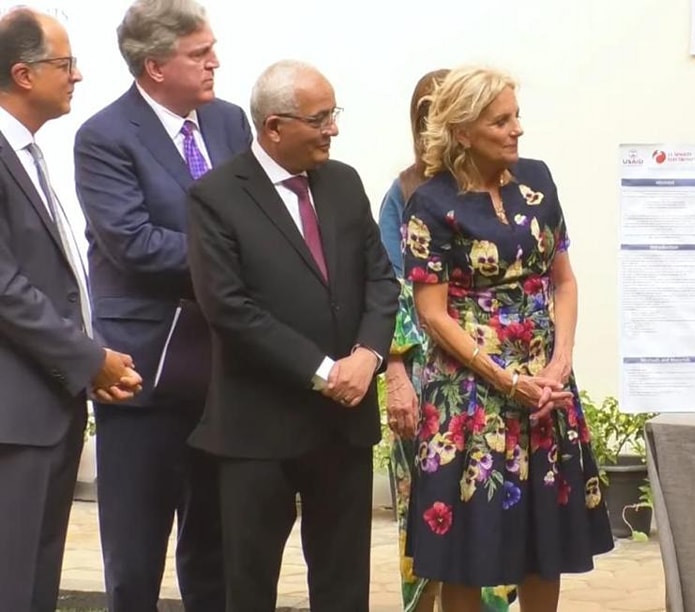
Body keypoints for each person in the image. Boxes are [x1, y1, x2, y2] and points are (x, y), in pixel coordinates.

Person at [185, 59, 399, 612]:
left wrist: (367, 357)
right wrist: (325, 371)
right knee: (249, 586)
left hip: (343, 428)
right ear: (274, 127)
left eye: (333, 114)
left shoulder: (344, 183)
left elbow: (381, 280)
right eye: (320, 118)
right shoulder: (216, 196)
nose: (333, 129)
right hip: (259, 430)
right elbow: (229, 309)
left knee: (344, 587)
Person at [402, 65, 614, 612]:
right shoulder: (430, 203)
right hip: (470, 395)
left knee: (545, 538)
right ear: (463, 131)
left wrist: (559, 363)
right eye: (500, 121)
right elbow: (432, 313)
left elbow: (564, 281)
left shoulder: (538, 181)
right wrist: (504, 379)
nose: (517, 128)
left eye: (516, 116)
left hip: (545, 388)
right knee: (466, 544)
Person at [72, 1, 252, 609]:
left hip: (222, 369)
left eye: (212, 49)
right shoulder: (104, 136)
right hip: (143, 369)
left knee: (216, 548)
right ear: (154, 66)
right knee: (136, 553)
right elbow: (133, 243)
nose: (215, 62)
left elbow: (256, 215)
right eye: (199, 54)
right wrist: (234, 255)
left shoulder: (229, 122)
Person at [0, 8, 143, 611]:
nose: (77, 75)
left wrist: (87, 362)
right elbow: (6, 288)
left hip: (46, 408)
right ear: (23, 74)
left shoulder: (29, 154)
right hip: (14, 420)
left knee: (34, 587)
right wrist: (89, 359)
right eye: (65, 64)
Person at [379, 68, 515, 612]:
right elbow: (390, 289)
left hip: (498, 377)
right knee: (430, 513)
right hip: (427, 383)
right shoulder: (404, 195)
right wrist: (396, 375)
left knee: (494, 507)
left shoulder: (509, 186)